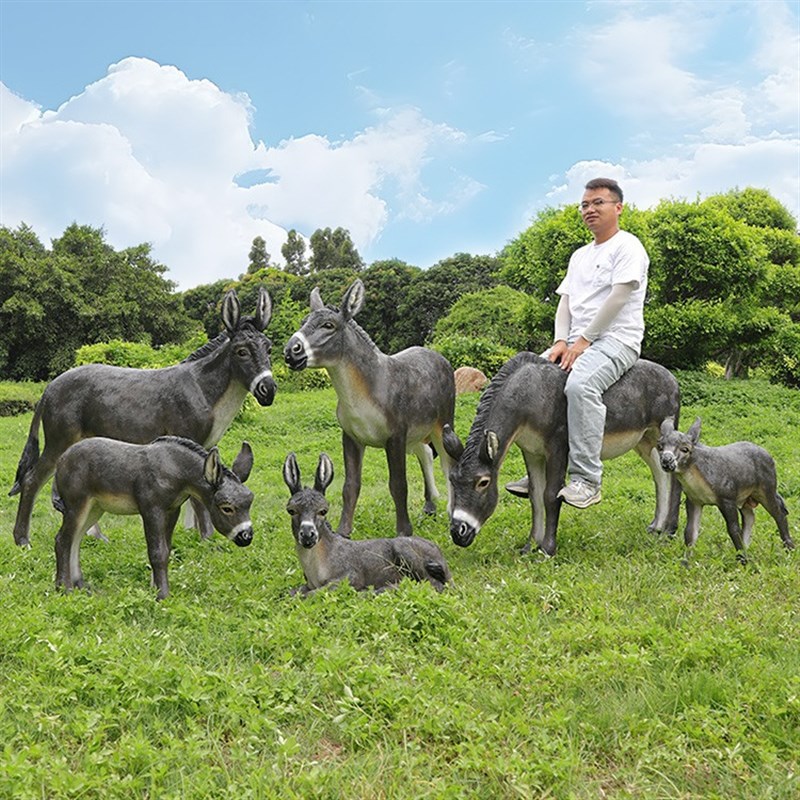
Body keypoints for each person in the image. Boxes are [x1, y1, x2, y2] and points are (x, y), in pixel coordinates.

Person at [506, 177, 649, 508]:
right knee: (526, 382)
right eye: (584, 204)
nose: (589, 209)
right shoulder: (579, 256)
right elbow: (565, 302)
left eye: (598, 202)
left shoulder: (628, 246)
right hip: (573, 341)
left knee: (580, 387)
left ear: (618, 207)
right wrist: (560, 340)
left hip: (617, 340)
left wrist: (583, 340)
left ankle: (586, 479)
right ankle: (543, 466)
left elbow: (619, 297)